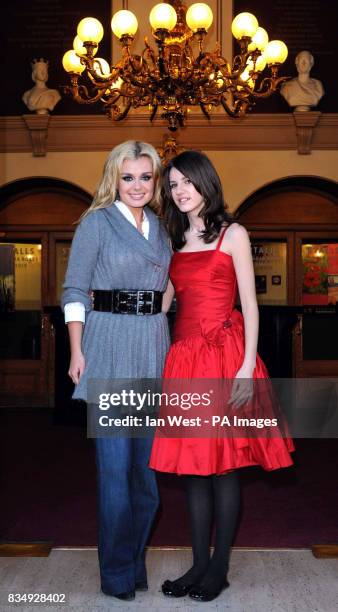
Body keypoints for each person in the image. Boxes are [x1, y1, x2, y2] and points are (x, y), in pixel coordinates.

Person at [149, 150, 294, 602]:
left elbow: (251, 305)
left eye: (186, 182)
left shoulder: (233, 233)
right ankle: (198, 565)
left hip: (227, 358)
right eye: (172, 185)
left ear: (205, 182)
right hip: (185, 361)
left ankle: (220, 569)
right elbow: (165, 302)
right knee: (195, 470)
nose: (180, 191)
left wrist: (247, 366)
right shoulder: (172, 240)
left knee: (225, 467)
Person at [61, 141, 173, 601]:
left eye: (145, 177)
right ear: (114, 178)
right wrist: (76, 351)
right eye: (128, 177)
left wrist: (163, 314)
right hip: (107, 346)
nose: (137, 186)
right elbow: (75, 289)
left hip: (151, 347)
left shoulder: (162, 229)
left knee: (146, 481)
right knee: (115, 475)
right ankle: (117, 575)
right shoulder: (96, 222)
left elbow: (168, 285)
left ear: (155, 180)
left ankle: (134, 560)